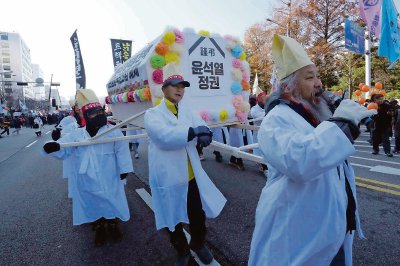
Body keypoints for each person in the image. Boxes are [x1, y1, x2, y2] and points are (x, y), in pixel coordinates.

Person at [248, 34, 376, 266]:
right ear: (289, 85)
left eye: (317, 76)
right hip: (298, 234)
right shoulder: (276, 119)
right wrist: (343, 126)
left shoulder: (313, 114)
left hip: (330, 230)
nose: (319, 83)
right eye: (310, 77)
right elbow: (299, 161)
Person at [144, 63, 226, 266]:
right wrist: (193, 132)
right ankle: (182, 250)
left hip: (190, 176)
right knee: (173, 220)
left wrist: (205, 132)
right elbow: (164, 137)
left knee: (197, 217)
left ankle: (198, 244)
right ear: (164, 88)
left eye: (183, 85)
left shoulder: (188, 110)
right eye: (174, 84)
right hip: (168, 177)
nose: (180, 89)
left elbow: (201, 125)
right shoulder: (153, 114)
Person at [42, 89, 133, 247]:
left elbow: (122, 150)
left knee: (112, 200)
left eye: (100, 111)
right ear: (85, 115)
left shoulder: (113, 132)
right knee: (91, 204)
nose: (98, 115)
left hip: (109, 175)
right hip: (86, 180)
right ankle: (98, 229)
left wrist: (124, 168)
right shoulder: (77, 135)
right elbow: (64, 149)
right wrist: (53, 148)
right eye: (93, 113)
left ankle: (112, 225)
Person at [250, 91, 268, 175]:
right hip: (258, 134)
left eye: (265, 97)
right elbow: (256, 115)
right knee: (260, 151)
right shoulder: (254, 109)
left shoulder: (267, 107)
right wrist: (267, 114)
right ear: (259, 99)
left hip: (267, 133)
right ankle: (264, 168)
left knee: (266, 151)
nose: (265, 99)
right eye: (263, 97)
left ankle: (264, 166)